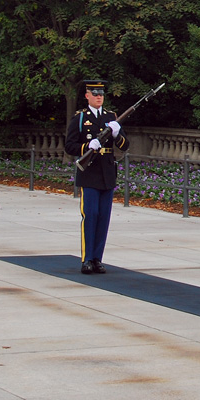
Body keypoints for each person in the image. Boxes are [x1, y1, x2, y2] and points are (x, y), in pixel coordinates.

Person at [63, 80, 128, 274]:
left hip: (107, 173)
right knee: (90, 216)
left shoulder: (111, 117)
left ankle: (98, 258)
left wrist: (117, 134)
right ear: (87, 96)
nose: (99, 96)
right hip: (89, 173)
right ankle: (87, 259)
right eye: (95, 93)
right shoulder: (81, 118)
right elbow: (69, 146)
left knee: (103, 218)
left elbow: (125, 146)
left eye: (101, 93)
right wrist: (86, 147)